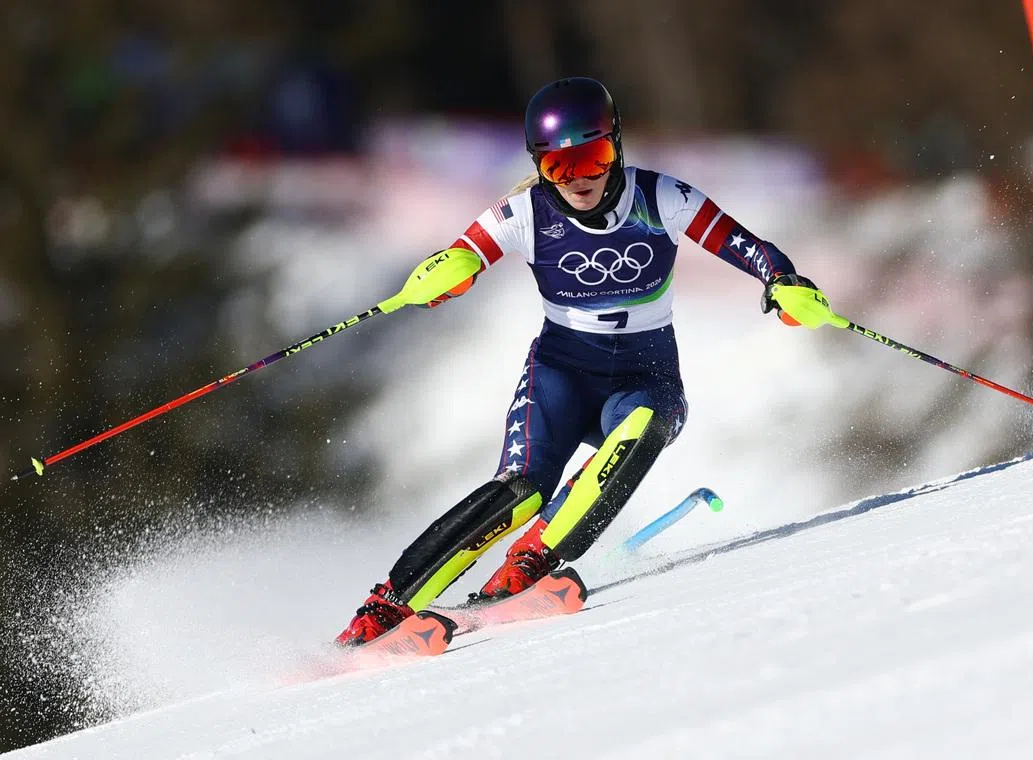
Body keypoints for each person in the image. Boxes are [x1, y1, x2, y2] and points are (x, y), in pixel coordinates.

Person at [335, 77, 823, 646]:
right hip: (561, 375)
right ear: (539, 166)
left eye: (593, 158)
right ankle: (385, 608)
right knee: (521, 491)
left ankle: (530, 566)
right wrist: (442, 277)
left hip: (645, 375)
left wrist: (784, 284)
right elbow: (463, 253)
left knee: (646, 427)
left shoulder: (660, 197)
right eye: (561, 167)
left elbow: (747, 246)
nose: (581, 179)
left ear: (616, 147)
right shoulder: (524, 213)